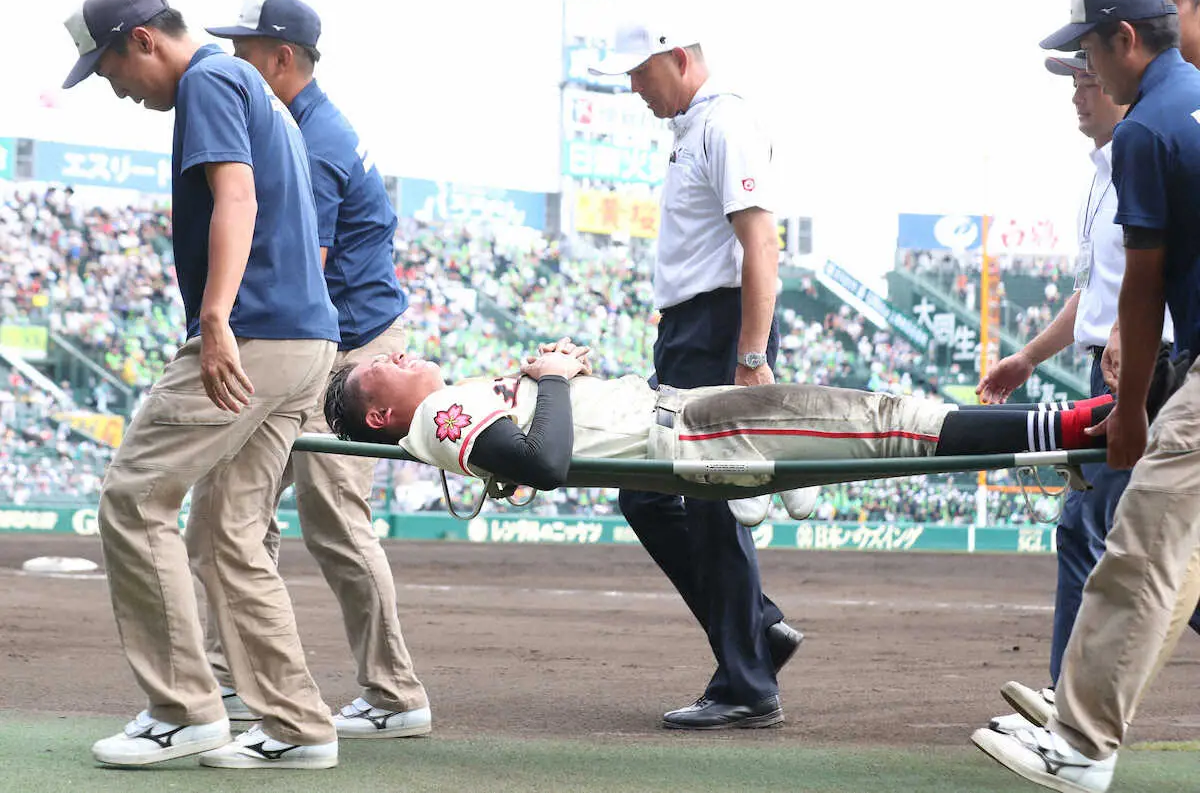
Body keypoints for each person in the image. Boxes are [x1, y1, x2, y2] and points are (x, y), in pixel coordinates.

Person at [62, 0, 341, 770]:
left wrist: (215, 318)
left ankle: (184, 710)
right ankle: (297, 724)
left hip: (254, 331)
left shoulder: (211, 80)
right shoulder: (251, 83)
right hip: (305, 343)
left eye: (111, 71)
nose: (116, 91)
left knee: (134, 494)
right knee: (228, 534)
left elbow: (239, 198)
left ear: (142, 40)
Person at [972, 0, 1200, 793]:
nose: (1085, 74)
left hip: (1183, 372)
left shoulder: (1146, 131)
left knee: (1138, 547)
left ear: (1126, 40)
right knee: (1158, 553)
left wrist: (1134, 405)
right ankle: (1077, 720)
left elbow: (1143, 288)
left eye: (1089, 53)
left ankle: (1079, 743)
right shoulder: (1192, 103)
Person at [201, 0, 430, 740]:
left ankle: (396, 694)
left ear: (283, 58)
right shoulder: (301, 126)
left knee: (332, 517)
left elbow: (309, 264)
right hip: (324, 335)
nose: (235, 61)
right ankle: (230, 675)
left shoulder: (314, 140)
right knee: (239, 501)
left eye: (245, 48)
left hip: (352, 347)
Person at [587, 16, 800, 730]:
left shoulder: (724, 123)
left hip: (716, 329)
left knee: (704, 501)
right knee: (649, 495)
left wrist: (749, 355)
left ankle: (747, 679)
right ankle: (756, 631)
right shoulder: (693, 128)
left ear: (677, 58)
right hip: (687, 330)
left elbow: (760, 242)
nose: (635, 89)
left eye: (641, 74)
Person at [321, 339, 1126, 495]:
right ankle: (1076, 426)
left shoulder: (446, 400)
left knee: (886, 419)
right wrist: (557, 379)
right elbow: (543, 465)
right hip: (694, 430)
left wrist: (553, 375)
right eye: (380, 369)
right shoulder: (437, 415)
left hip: (685, 417)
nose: (397, 353)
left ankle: (1074, 426)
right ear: (385, 412)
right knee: (893, 422)